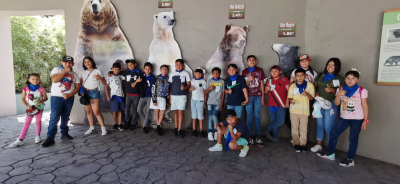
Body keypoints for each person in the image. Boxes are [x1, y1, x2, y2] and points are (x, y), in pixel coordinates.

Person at [318, 69, 369, 167]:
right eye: (348, 78)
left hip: (357, 119)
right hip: (344, 117)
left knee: (353, 138)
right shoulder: (340, 89)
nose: (350, 80)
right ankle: (330, 153)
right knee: (333, 133)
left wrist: (365, 120)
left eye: (353, 78)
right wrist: (339, 94)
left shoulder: (362, 91)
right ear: (345, 79)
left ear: (357, 80)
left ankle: (350, 159)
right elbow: (337, 103)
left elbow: (365, 106)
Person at [42, 56, 81, 147]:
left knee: (65, 117)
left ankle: (64, 134)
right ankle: (50, 137)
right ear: (61, 62)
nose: (68, 64)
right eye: (65, 62)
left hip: (69, 98)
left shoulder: (75, 74)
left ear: (73, 64)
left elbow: (78, 87)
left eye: (70, 62)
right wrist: (64, 71)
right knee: (54, 117)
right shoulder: (57, 69)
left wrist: (70, 95)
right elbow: (55, 80)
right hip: (57, 98)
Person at [310, 58, 345, 152]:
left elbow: (343, 93)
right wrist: (315, 93)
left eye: (333, 65)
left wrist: (332, 90)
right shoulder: (320, 75)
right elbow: (314, 87)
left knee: (328, 127)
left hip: (332, 104)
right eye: (328, 64)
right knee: (320, 125)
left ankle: (331, 148)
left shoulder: (340, 78)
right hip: (318, 103)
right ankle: (319, 145)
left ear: (337, 66)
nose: (330, 67)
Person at [286, 54, 318, 143]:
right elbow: (291, 84)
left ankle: (302, 140)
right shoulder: (295, 71)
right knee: (295, 122)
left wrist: (311, 96)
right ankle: (295, 139)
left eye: (306, 61)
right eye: (302, 61)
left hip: (307, 100)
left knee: (304, 122)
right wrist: (289, 100)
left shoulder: (313, 73)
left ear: (309, 62)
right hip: (296, 101)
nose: (304, 63)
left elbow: (315, 86)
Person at [9, 73, 48, 147]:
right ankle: (20, 139)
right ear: (28, 80)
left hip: (39, 108)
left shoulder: (41, 89)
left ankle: (37, 136)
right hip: (30, 109)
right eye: (33, 79)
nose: (35, 81)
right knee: (27, 123)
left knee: (38, 122)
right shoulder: (25, 89)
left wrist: (41, 100)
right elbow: (23, 99)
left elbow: (46, 98)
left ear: (39, 80)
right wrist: (26, 106)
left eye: (37, 79)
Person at [287, 68, 315, 152]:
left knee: (303, 129)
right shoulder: (292, 86)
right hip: (294, 110)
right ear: (295, 77)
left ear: (305, 76)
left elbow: (311, 98)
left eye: (302, 75)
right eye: (298, 76)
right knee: (294, 128)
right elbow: (290, 97)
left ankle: (303, 144)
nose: (300, 77)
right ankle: (296, 144)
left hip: (304, 111)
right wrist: (291, 101)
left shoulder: (310, 85)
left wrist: (306, 94)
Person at [241, 55, 266, 147]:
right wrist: (248, 80)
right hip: (248, 96)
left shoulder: (260, 70)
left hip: (258, 96)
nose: (251, 61)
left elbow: (261, 84)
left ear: (256, 62)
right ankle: (250, 136)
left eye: (253, 60)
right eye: (250, 60)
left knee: (257, 115)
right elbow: (244, 86)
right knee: (249, 116)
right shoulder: (244, 72)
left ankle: (258, 136)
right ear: (247, 63)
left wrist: (263, 97)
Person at [80, 57, 108, 136]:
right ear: (84, 64)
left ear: (92, 62)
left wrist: (99, 78)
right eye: (85, 62)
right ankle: (91, 128)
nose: (87, 63)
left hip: (94, 92)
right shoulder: (82, 72)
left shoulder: (97, 71)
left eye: (89, 61)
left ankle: (103, 128)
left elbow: (104, 82)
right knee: (88, 111)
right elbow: (80, 83)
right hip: (85, 93)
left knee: (96, 111)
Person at [264, 65, 290, 143]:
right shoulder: (269, 81)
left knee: (280, 121)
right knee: (274, 121)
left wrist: (287, 102)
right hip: (271, 104)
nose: (274, 73)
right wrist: (267, 89)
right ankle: (275, 137)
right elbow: (265, 92)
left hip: (281, 104)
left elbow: (289, 91)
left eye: (276, 71)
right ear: (270, 73)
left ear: (280, 72)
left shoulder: (284, 79)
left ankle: (267, 129)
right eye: (272, 71)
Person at [169, 59, 191, 138]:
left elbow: (189, 84)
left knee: (181, 113)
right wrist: (170, 97)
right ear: (175, 66)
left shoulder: (186, 73)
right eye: (176, 64)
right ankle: (175, 128)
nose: (178, 66)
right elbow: (170, 86)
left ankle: (179, 129)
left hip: (182, 96)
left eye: (180, 64)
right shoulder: (172, 74)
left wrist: (185, 87)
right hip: (174, 95)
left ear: (183, 66)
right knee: (175, 112)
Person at [149, 65, 170, 136]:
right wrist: (154, 100)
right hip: (156, 97)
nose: (164, 70)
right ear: (160, 70)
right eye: (163, 69)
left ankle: (158, 126)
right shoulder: (156, 78)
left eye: (166, 69)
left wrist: (168, 101)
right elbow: (153, 89)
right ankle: (158, 127)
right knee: (156, 111)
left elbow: (168, 90)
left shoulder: (168, 79)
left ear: (167, 71)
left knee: (163, 112)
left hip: (164, 98)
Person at [205, 67, 225, 141]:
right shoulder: (209, 81)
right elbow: (205, 92)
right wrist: (209, 88)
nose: (215, 74)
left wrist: (221, 103)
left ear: (220, 74)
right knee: (210, 116)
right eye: (214, 73)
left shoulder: (222, 82)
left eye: (217, 73)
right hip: (210, 102)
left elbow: (223, 93)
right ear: (212, 74)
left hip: (218, 102)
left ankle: (217, 131)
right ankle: (210, 132)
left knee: (214, 115)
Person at [122, 59, 142, 130]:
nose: (130, 66)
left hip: (136, 95)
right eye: (128, 65)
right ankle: (127, 122)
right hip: (128, 94)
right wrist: (110, 72)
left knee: (134, 110)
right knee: (126, 109)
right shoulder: (126, 72)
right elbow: (117, 72)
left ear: (135, 64)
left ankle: (133, 123)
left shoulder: (139, 73)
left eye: (132, 65)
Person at [105, 62, 126, 131]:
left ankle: (120, 124)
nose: (116, 71)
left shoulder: (121, 76)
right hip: (114, 96)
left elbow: (125, 75)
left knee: (120, 110)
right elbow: (106, 86)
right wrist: (107, 96)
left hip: (121, 95)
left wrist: (111, 71)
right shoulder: (109, 76)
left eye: (118, 69)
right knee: (114, 111)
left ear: (120, 70)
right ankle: (115, 124)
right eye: (114, 69)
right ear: (112, 69)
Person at [189, 68, 207, 138]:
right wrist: (190, 89)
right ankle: (194, 130)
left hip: (200, 100)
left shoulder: (203, 81)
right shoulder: (192, 81)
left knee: (200, 116)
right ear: (194, 73)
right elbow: (189, 90)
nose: (198, 75)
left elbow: (205, 92)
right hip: (193, 100)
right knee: (194, 115)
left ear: (202, 74)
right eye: (197, 73)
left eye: (199, 74)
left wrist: (205, 101)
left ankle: (201, 130)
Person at [137, 62, 155, 134]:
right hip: (143, 96)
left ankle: (145, 127)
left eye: (149, 69)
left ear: (151, 70)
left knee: (147, 112)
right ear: (144, 69)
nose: (147, 70)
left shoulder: (153, 78)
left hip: (150, 96)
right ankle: (147, 121)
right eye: (146, 69)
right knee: (139, 110)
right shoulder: (141, 77)